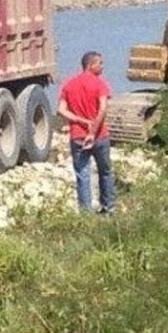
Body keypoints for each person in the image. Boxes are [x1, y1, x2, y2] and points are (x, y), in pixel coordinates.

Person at [57, 51, 115, 214]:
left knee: (82, 175)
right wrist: (93, 129)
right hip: (100, 136)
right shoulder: (100, 84)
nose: (102, 67)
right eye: (100, 64)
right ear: (91, 65)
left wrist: (81, 121)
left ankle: (85, 212)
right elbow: (103, 109)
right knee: (105, 171)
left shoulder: (69, 84)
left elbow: (61, 110)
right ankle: (108, 207)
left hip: (77, 136)